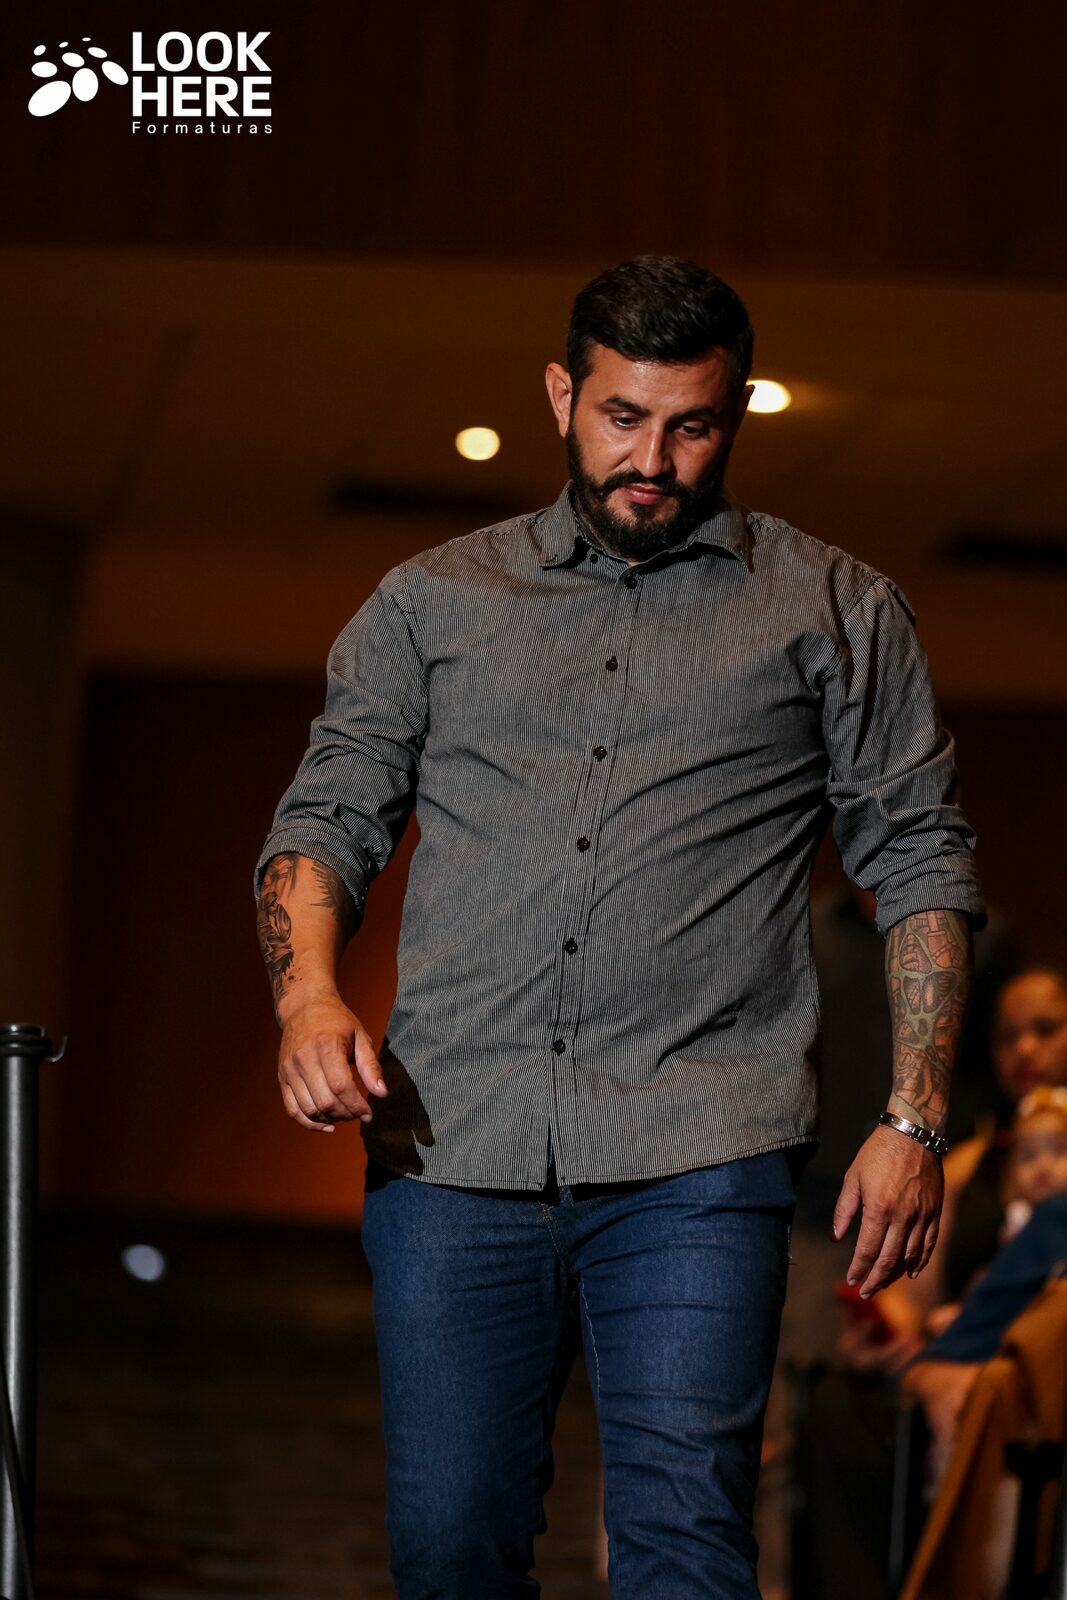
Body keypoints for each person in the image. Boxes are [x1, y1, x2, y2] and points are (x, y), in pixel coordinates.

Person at [253, 255, 985, 1599]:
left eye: (691, 426)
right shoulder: (431, 601)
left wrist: (915, 1118)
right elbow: (328, 817)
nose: (651, 461)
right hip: (454, 1142)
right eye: (622, 418)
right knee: (451, 1547)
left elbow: (923, 858)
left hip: (702, 1146)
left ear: (738, 412)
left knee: (683, 1545)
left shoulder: (835, 608)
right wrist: (307, 995)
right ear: (561, 396)